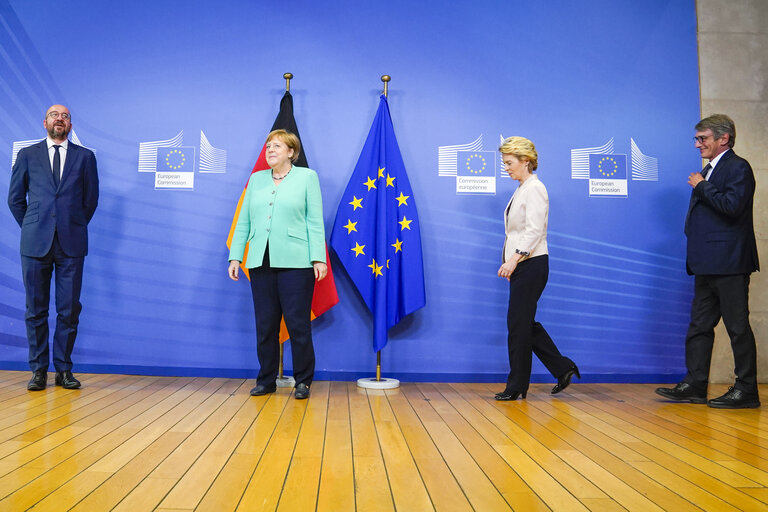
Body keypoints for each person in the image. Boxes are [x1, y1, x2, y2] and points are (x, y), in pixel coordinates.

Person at [656, 114, 760, 409]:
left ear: (723, 139)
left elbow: (732, 206)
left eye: (703, 139)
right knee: (699, 326)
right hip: (707, 264)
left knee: (737, 327)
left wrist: (701, 185)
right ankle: (695, 384)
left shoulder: (737, 167)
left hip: (730, 263)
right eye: (697, 138)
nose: (698, 144)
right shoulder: (712, 169)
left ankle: (746, 390)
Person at [228, 129, 327, 400]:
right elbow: (244, 222)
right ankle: (266, 380)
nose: (270, 150)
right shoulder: (256, 179)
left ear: (291, 152)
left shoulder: (307, 177)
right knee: (266, 325)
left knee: (297, 325)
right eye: (268, 146)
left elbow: (314, 221)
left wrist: (318, 258)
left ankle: (303, 381)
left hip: (297, 261)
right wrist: (236, 256)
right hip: (260, 261)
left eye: (277, 146)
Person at [7, 104, 99, 391]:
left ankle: (63, 370)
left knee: (68, 309)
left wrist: (72, 223)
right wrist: (34, 225)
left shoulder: (85, 157)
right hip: (35, 243)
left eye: (65, 116)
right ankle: (38, 371)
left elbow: (91, 200)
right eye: (54, 115)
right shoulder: (27, 155)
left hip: (72, 243)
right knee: (35, 309)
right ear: (44, 122)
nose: (60, 119)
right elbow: (15, 199)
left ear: (70, 125)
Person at [495, 136, 579, 401]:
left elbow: (534, 231)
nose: (506, 168)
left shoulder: (535, 188)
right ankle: (562, 367)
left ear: (526, 161)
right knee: (523, 324)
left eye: (509, 163)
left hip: (531, 264)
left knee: (518, 326)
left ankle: (517, 385)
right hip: (525, 266)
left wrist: (513, 260)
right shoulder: (522, 188)